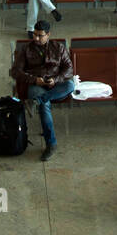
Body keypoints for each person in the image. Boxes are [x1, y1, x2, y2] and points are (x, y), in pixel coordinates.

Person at [14, 20, 74, 163]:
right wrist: (35, 80)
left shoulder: (58, 48)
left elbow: (69, 69)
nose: (36, 38)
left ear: (48, 35)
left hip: (55, 84)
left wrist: (56, 79)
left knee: (70, 85)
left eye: (40, 35)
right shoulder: (26, 49)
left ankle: (35, 101)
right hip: (36, 84)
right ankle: (51, 144)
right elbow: (15, 71)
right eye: (34, 35)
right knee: (44, 106)